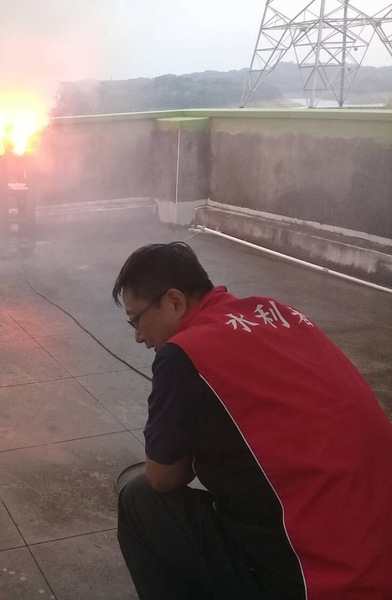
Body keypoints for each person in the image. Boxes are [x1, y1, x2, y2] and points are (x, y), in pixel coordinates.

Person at [111, 241, 392, 600]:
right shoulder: (279, 312)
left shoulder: (183, 354)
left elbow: (162, 477)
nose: (137, 335)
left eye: (137, 319)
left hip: (324, 578)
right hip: (379, 545)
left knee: (140, 500)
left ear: (175, 301)